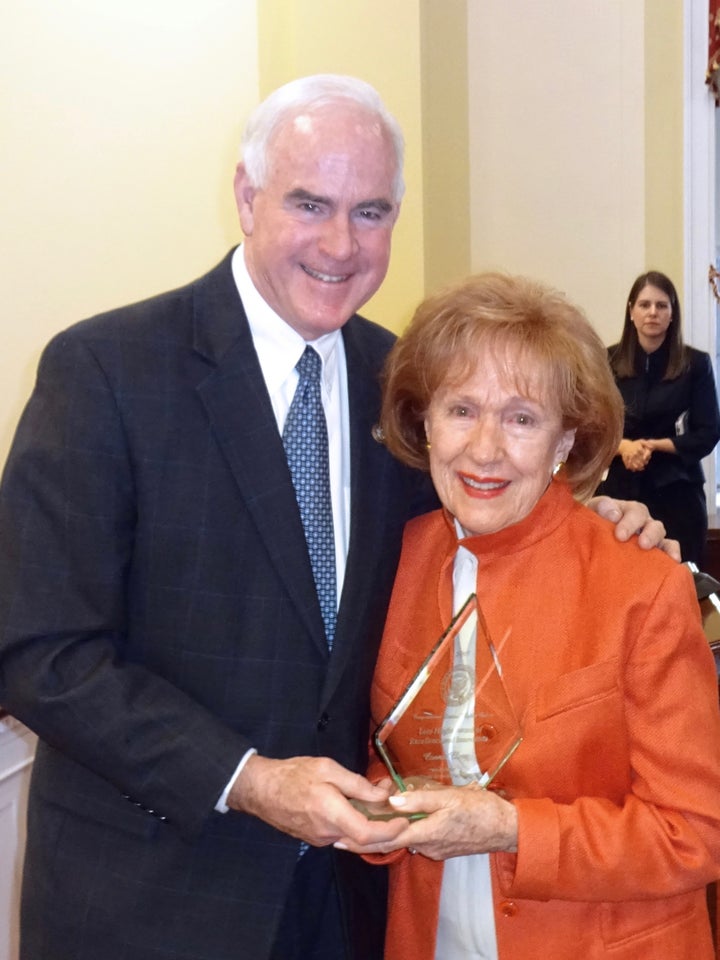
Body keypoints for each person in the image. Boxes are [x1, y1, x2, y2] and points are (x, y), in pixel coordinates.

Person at [0, 76, 671, 960]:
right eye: (310, 203)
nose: (340, 243)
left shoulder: (404, 384)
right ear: (246, 196)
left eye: (372, 211)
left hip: (349, 905)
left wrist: (600, 515)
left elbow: (485, 519)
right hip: (151, 904)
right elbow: (40, 652)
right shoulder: (107, 371)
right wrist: (247, 781)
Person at [335, 273, 720, 959]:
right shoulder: (391, 563)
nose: (484, 449)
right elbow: (380, 752)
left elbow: (696, 829)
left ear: (567, 439)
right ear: (424, 421)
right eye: (461, 410)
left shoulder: (640, 583)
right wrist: (372, 812)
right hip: (428, 936)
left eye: (521, 418)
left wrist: (512, 827)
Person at [596, 270, 720, 565]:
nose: (653, 312)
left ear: (672, 313)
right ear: (631, 311)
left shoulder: (695, 364)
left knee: (681, 581)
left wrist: (653, 446)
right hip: (619, 491)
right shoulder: (606, 360)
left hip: (677, 491)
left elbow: (708, 431)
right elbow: (591, 427)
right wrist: (624, 447)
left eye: (662, 305)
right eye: (644, 304)